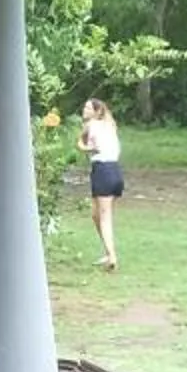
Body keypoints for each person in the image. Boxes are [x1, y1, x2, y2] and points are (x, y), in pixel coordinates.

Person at [80, 98, 125, 271]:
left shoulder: (91, 125)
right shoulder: (109, 125)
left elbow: (82, 143)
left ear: (97, 112)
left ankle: (112, 256)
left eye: (88, 108)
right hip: (115, 171)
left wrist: (85, 148)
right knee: (95, 214)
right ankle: (108, 251)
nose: (84, 110)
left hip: (102, 170)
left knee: (104, 218)